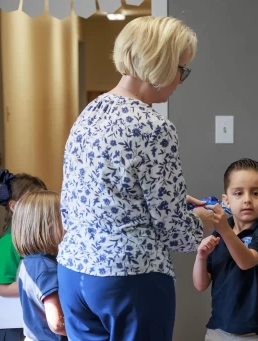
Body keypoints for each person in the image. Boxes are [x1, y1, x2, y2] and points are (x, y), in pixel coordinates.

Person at [57, 16, 214, 341]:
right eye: (182, 70)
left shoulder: (89, 113)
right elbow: (175, 232)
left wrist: (155, 202)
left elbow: (90, 196)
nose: (181, 81)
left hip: (74, 271)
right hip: (129, 276)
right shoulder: (154, 127)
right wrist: (202, 221)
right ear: (162, 64)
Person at [193, 158, 258, 341]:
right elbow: (200, 284)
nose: (247, 200)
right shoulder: (219, 235)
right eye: (238, 193)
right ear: (226, 200)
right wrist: (201, 257)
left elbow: (246, 261)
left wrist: (224, 230)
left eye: (255, 193)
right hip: (217, 328)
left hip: (253, 332)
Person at [0, 169, 47, 341]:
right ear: (13, 207)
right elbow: (3, 288)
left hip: (30, 320)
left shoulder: (37, 241)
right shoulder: (7, 244)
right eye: (34, 203)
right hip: (11, 328)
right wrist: (42, 286)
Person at [12, 191, 67, 341]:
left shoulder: (29, 263)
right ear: (47, 226)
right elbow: (57, 323)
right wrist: (88, 330)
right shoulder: (46, 268)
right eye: (64, 219)